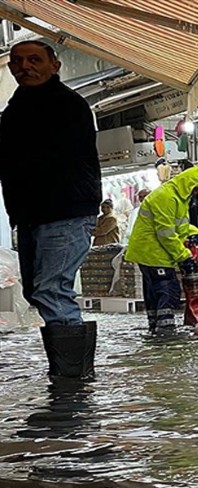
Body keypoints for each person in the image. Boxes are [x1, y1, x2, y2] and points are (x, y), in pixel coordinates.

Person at [0, 41, 101, 380]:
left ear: (54, 65)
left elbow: (38, 158)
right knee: (37, 290)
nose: (24, 66)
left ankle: (72, 381)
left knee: (52, 289)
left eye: (34, 60)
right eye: (17, 61)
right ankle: (71, 374)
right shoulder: (19, 106)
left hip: (64, 210)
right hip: (34, 214)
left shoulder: (64, 105)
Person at [125, 167, 198, 335]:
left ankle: (155, 328)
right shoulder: (166, 197)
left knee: (154, 292)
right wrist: (184, 256)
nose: (196, 192)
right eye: (196, 188)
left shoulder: (177, 197)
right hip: (153, 252)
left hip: (151, 252)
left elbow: (178, 225)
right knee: (167, 289)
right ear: (189, 185)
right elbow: (166, 234)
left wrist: (193, 233)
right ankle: (165, 331)